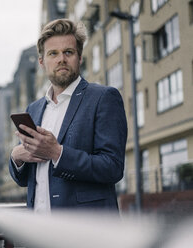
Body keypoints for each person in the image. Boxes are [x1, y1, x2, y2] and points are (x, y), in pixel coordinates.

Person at [9, 19, 127, 213]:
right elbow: (25, 180)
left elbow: (112, 167)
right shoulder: (33, 109)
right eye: (53, 53)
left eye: (68, 52)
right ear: (42, 62)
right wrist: (17, 157)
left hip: (84, 232)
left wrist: (57, 153)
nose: (61, 59)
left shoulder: (104, 98)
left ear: (79, 58)